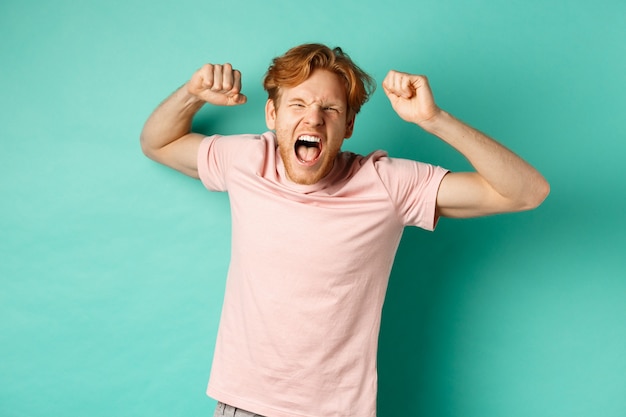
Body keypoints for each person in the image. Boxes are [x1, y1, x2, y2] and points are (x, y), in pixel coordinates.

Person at [140, 43, 549, 417]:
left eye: (330, 110)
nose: (312, 118)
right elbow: (156, 143)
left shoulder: (387, 183)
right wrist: (192, 93)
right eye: (297, 103)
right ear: (272, 115)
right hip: (243, 405)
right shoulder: (247, 160)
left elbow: (526, 193)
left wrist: (434, 120)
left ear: (349, 124)